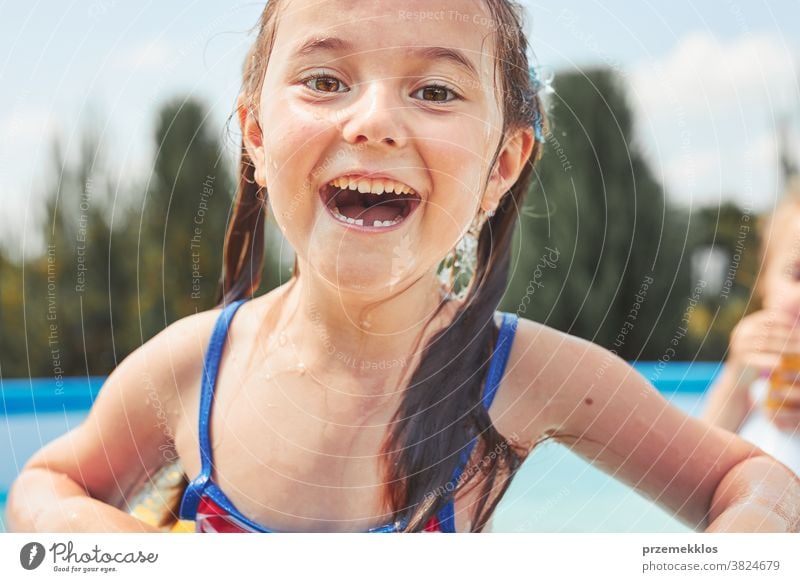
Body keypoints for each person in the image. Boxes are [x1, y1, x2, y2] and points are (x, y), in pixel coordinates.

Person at [7, 0, 800, 534]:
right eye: (324, 81)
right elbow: (41, 490)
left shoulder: (520, 372)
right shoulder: (191, 368)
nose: (376, 121)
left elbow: (758, 485)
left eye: (433, 89)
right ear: (254, 137)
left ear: (503, 164)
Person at [703, 182, 800, 475]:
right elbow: (704, 449)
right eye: (798, 273)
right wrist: (737, 374)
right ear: (764, 282)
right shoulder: (759, 364)